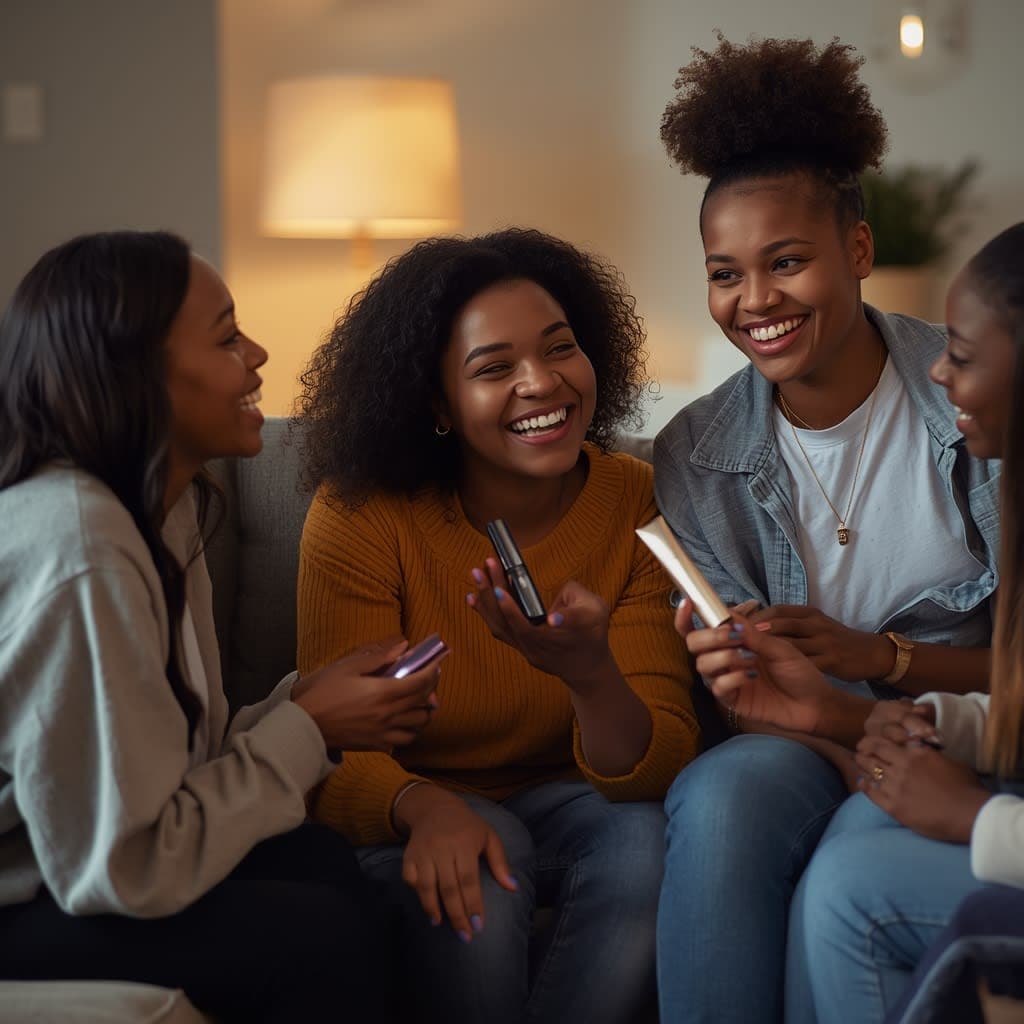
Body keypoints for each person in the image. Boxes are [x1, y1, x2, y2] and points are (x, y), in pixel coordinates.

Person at [0, 230, 442, 1023]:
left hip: (67, 867)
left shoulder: (163, 509)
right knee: (316, 936)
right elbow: (124, 865)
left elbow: (169, 768)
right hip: (32, 891)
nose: (259, 353)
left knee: (318, 859)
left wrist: (306, 705)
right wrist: (307, 726)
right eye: (228, 335)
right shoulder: (81, 544)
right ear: (135, 373)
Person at [652, 35, 1000, 1024]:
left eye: (786, 262)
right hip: (799, 740)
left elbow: (1017, 669)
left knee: (845, 877)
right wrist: (747, 683)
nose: (753, 302)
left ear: (855, 250)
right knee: (724, 800)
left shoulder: (976, 392)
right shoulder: (693, 454)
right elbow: (755, 705)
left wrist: (878, 662)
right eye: (725, 274)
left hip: (969, 732)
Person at [295, 227, 700, 1024]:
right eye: (494, 369)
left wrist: (588, 672)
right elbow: (325, 749)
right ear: (437, 402)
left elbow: (654, 768)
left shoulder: (634, 500)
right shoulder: (362, 514)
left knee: (646, 841)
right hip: (416, 806)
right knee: (486, 852)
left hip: (572, 803)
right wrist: (423, 806)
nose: (542, 384)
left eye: (560, 349)